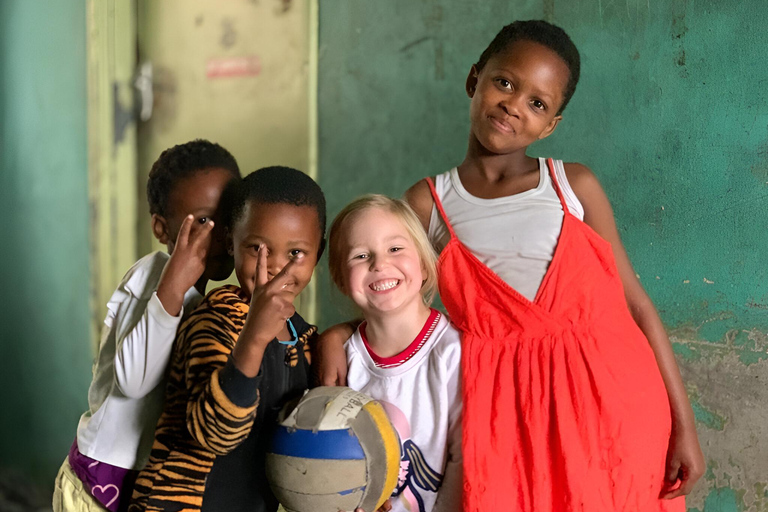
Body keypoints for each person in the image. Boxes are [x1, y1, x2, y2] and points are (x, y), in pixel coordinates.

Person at [316, 20, 705, 512]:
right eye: (504, 82)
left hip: (615, 403)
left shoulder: (573, 187)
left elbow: (637, 305)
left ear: (551, 125)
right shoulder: (427, 202)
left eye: (537, 103)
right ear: (473, 79)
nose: (514, 105)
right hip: (507, 415)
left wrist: (683, 425)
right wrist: (339, 334)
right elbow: (394, 293)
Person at [53, 140, 241, 512]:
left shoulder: (210, 306)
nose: (218, 235)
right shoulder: (152, 275)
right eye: (203, 220)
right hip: (96, 486)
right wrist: (172, 287)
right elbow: (134, 382)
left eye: (228, 217)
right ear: (162, 227)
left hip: (145, 485)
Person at [129, 166, 326, 512]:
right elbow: (215, 433)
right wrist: (253, 338)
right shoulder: (215, 320)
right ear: (229, 242)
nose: (276, 268)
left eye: (296, 253)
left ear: (318, 254)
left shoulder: (303, 339)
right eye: (257, 249)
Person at [328, 195, 461, 512]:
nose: (379, 264)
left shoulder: (454, 350)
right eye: (360, 255)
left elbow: (467, 457)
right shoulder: (342, 360)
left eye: (395, 249)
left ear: (425, 265)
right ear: (341, 281)